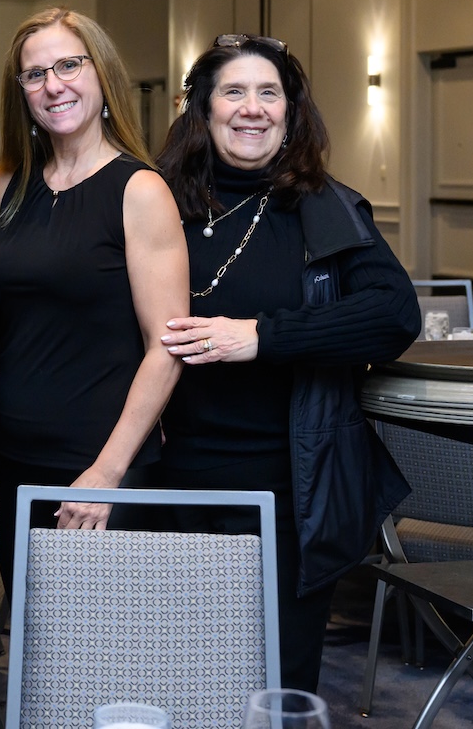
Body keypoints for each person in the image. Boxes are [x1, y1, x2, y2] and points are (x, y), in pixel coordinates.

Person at [154, 34, 421, 692]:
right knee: (180, 681)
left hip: (288, 489)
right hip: (170, 479)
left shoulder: (321, 205)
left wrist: (262, 336)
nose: (253, 108)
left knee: (278, 684)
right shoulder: (159, 202)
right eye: (234, 92)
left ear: (290, 111)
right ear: (203, 109)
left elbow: (393, 313)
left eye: (269, 93)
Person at [0, 7, 188, 591]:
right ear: (21, 92)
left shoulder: (139, 190)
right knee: (31, 637)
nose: (53, 85)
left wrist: (107, 472)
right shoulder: (7, 190)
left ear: (102, 74)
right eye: (35, 74)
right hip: (12, 459)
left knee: (101, 644)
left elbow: (167, 346)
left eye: (69, 65)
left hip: (99, 464)